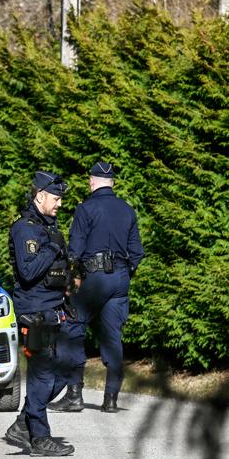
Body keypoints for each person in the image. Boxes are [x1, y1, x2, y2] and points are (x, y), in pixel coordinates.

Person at [53, 159, 144, 414]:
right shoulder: (127, 209)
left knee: (73, 328)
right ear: (112, 183)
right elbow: (137, 252)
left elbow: (75, 251)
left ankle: (74, 395)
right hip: (120, 279)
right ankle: (111, 400)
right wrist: (125, 274)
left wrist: (72, 280)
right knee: (113, 338)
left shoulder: (86, 209)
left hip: (94, 277)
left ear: (92, 182)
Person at [1, 171, 77, 457]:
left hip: (53, 308)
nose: (59, 204)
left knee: (68, 367)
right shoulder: (25, 229)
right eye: (56, 198)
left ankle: (24, 422)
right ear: (40, 196)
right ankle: (39, 438)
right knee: (43, 375)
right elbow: (29, 270)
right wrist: (53, 247)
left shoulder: (48, 226)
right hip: (34, 311)